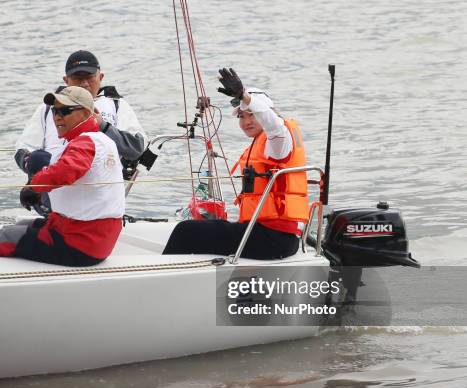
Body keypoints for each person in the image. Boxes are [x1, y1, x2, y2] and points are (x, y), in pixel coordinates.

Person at [163, 68, 310, 260]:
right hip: (261, 231)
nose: (246, 121)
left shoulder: (278, 142)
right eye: (241, 116)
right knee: (195, 229)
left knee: (185, 232)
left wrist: (245, 97)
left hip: (274, 238)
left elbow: (274, 125)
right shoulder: (261, 142)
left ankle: (160, 280)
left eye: (251, 114)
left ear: (264, 113)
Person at [0, 87, 125, 266]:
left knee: (6, 235)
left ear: (86, 113)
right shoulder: (101, 140)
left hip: (78, 244)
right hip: (91, 238)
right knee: (22, 225)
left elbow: (65, 170)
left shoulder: (86, 142)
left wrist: (33, 188)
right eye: (55, 110)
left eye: (65, 111)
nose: (57, 117)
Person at [14, 50, 148, 184]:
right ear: (66, 80)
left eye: (90, 77)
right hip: (53, 182)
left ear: (100, 77)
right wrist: (36, 169)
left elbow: (137, 149)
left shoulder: (117, 105)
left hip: (100, 185)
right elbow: (24, 149)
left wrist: (103, 126)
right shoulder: (47, 108)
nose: (84, 83)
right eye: (78, 78)